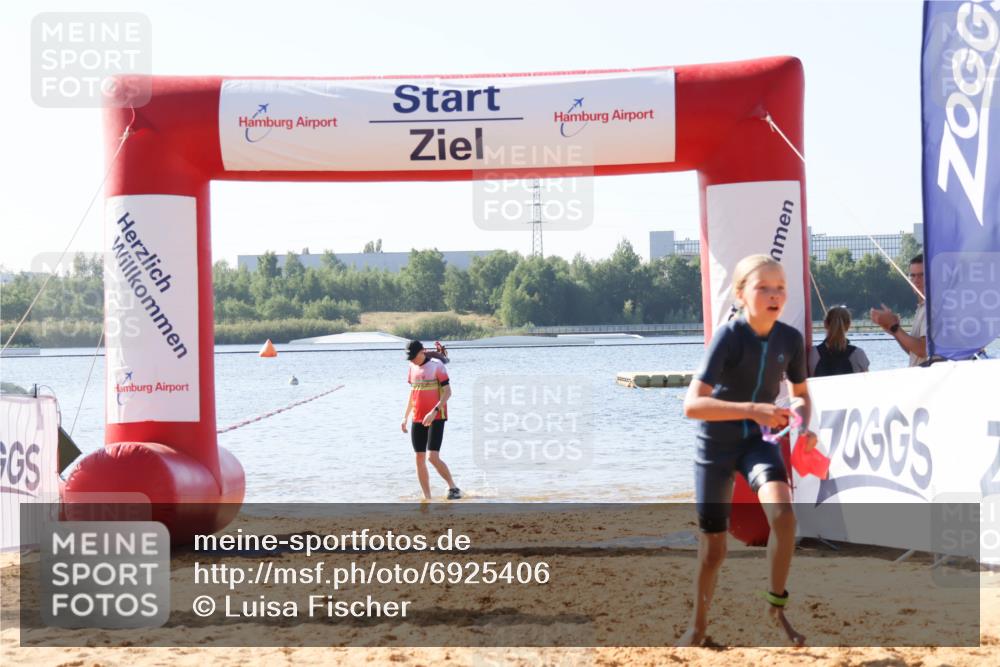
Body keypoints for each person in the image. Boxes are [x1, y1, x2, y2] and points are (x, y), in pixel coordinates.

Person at [678, 254, 818, 648]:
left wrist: (804, 424)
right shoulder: (728, 336)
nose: (775, 295)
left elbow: (802, 396)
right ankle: (698, 628)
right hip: (715, 446)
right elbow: (692, 405)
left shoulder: (790, 340)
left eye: (781, 289)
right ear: (740, 295)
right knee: (714, 550)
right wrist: (753, 409)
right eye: (763, 288)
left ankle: (776, 607)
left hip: (758, 443)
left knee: (785, 518)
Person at [401, 340, 461, 500]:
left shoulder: (437, 366)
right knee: (419, 458)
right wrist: (405, 416)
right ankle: (427, 498)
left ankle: (453, 487)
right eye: (410, 357)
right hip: (418, 416)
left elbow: (448, 392)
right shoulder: (411, 367)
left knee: (432, 457)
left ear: (423, 352)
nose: (412, 360)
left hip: (437, 416)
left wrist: (434, 411)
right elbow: (413, 393)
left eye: (414, 356)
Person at [870, 253, 927, 366]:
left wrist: (895, 328)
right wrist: (894, 331)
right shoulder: (921, 308)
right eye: (912, 275)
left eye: (922, 275)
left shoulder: (932, 308)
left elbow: (923, 350)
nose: (916, 280)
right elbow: (913, 352)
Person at [808, 306, 870, 376]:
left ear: (825, 324)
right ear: (849, 325)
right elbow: (867, 382)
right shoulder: (858, 353)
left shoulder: (813, 353)